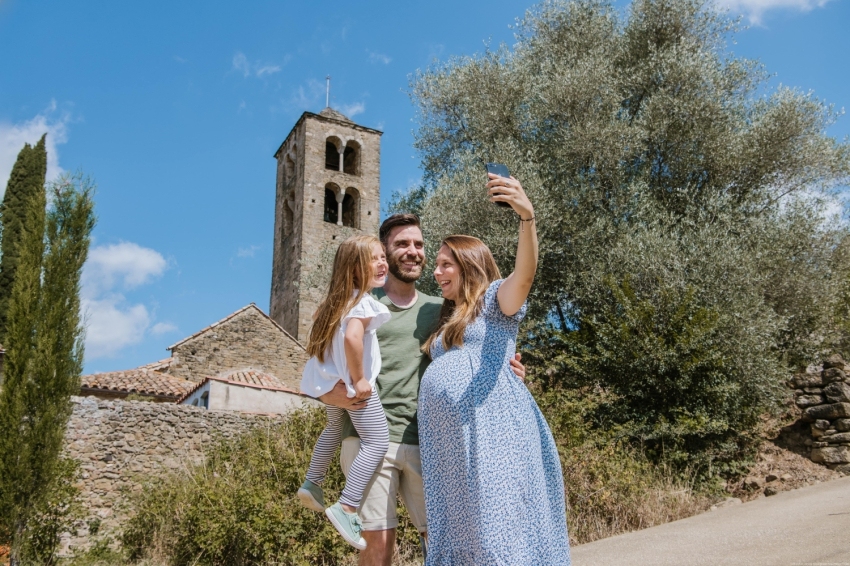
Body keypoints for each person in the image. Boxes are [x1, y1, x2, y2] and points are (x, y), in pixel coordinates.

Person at [319, 214, 527, 566]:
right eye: (401, 244)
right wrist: (329, 395)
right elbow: (319, 371)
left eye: (418, 244)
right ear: (383, 252)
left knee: (446, 538)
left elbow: (479, 347)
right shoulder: (361, 308)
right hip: (370, 440)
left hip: (432, 443)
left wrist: (509, 369)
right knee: (378, 547)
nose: (412, 252)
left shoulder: (442, 308)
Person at [417, 173, 571, 565]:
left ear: (468, 265)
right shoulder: (448, 317)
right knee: (464, 529)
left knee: (498, 527)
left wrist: (527, 218)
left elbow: (525, 276)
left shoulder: (493, 302)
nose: (436, 273)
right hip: (449, 448)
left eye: (445, 264)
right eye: (435, 265)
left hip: (493, 435)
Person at [297, 234, 392, 550]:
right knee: (377, 439)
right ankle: (347, 505)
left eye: (383, 257)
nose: (383, 263)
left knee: (334, 428)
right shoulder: (363, 303)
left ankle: (313, 482)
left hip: (330, 383)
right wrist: (360, 378)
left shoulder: (331, 305)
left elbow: (324, 340)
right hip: (353, 387)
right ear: (354, 268)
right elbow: (353, 339)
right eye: (375, 258)